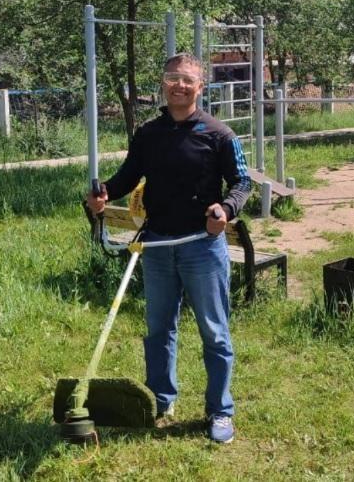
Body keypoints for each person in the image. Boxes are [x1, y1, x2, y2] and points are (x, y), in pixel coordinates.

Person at [86, 53, 251, 443]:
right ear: (163, 83)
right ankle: (160, 400)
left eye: (187, 79)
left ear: (200, 87)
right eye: (172, 78)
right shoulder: (148, 133)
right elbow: (128, 175)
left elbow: (242, 184)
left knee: (215, 332)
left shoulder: (219, 134)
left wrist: (224, 210)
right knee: (158, 329)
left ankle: (220, 410)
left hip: (201, 247)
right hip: (157, 245)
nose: (179, 85)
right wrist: (105, 194)